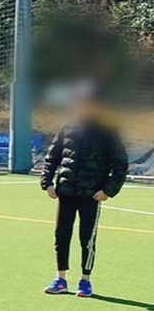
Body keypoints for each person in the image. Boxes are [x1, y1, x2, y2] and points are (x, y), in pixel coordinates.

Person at [40, 90, 128, 298]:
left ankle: (85, 281)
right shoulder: (68, 127)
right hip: (66, 192)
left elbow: (121, 165)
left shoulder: (108, 131)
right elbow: (52, 157)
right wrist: (47, 182)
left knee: (87, 237)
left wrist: (109, 190)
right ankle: (61, 279)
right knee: (62, 235)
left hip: (91, 194)